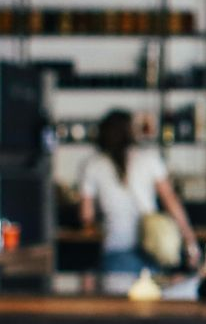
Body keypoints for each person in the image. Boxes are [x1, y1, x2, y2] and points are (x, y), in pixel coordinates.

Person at [79, 109, 198, 274]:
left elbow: (86, 216)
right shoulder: (149, 159)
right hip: (152, 248)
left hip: (115, 250)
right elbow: (171, 202)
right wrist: (190, 240)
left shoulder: (92, 165)